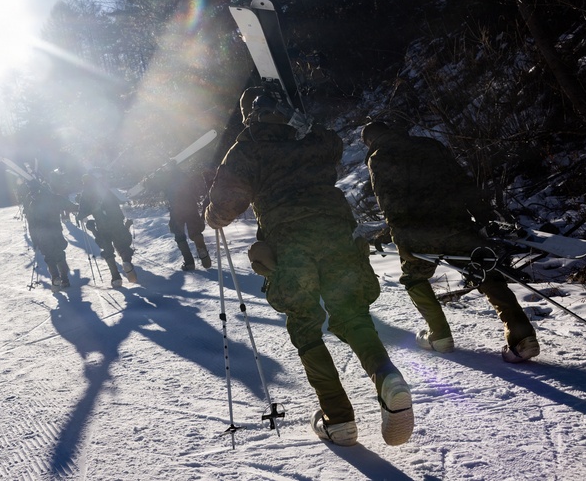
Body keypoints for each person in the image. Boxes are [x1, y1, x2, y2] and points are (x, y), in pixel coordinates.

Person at [204, 86, 414, 447]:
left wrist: (212, 214)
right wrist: (304, 123)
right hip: (336, 230)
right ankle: (387, 378)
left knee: (304, 323)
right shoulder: (309, 137)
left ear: (249, 115)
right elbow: (332, 144)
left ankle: (339, 418)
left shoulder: (248, 145)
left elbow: (223, 207)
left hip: (290, 240)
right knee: (351, 314)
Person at [361, 121, 539, 363]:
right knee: (483, 270)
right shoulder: (430, 145)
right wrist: (484, 216)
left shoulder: (379, 158)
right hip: (457, 223)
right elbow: (463, 183)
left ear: (370, 141)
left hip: (418, 234)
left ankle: (440, 335)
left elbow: (390, 204)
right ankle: (522, 337)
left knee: (414, 278)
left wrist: (395, 234)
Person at [143, 160, 211, 270]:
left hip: (176, 209)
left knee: (179, 234)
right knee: (195, 230)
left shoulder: (165, 178)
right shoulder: (183, 175)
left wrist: (148, 180)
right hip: (190, 206)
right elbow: (193, 188)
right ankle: (201, 248)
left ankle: (189, 263)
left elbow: (152, 187)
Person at [77, 169, 138, 287]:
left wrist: (81, 216)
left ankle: (116, 278)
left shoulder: (85, 193)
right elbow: (120, 200)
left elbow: (82, 212)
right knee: (122, 245)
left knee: (107, 250)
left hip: (102, 225)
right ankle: (126, 261)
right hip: (116, 221)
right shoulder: (104, 188)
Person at [25, 179, 78, 291]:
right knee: (60, 254)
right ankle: (65, 280)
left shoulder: (33, 204)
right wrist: (79, 207)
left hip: (43, 234)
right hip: (56, 231)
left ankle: (55, 278)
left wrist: (35, 241)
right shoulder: (54, 198)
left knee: (49, 257)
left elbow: (32, 225)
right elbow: (70, 206)